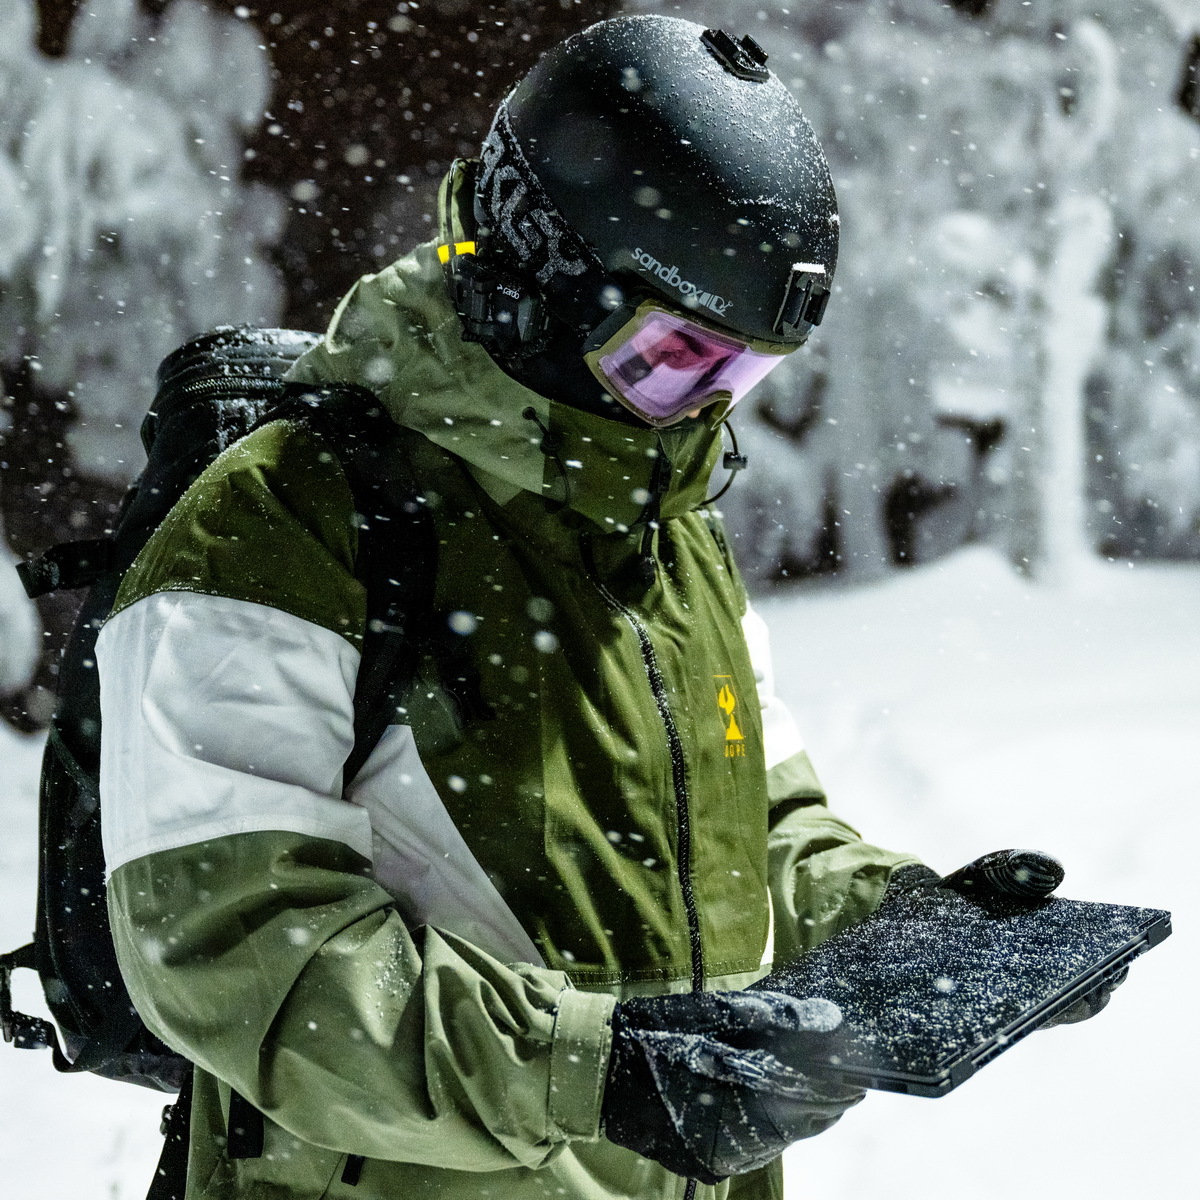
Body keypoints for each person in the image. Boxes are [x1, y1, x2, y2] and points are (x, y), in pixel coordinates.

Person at [96, 15, 1112, 1200]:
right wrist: (593, 1071)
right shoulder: (285, 524)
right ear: (541, 278)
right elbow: (235, 951)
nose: (698, 415)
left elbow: (764, 830)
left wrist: (910, 927)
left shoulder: (670, 538)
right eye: (677, 359)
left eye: (740, 378)